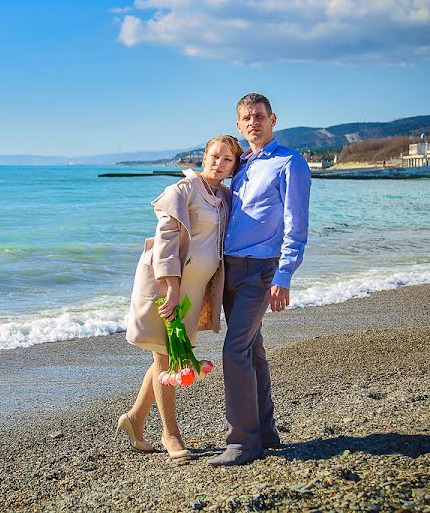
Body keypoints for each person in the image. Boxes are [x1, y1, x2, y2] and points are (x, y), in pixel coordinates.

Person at [117, 135, 243, 460]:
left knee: (168, 354)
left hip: (194, 289)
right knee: (165, 356)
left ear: (234, 166)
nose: (219, 163)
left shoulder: (224, 197)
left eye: (227, 159)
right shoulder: (183, 191)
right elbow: (166, 240)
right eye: (214, 156)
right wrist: (171, 287)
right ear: (203, 157)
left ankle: (134, 419)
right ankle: (170, 434)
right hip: (167, 285)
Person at [208, 93, 311, 466]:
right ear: (239, 125)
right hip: (229, 269)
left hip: (260, 270)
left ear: (273, 119)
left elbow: (296, 225)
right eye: (247, 117)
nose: (254, 122)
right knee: (252, 350)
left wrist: (283, 274)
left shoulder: (290, 163)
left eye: (260, 116)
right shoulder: (240, 164)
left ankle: (242, 441)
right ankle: (266, 431)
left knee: (234, 350)